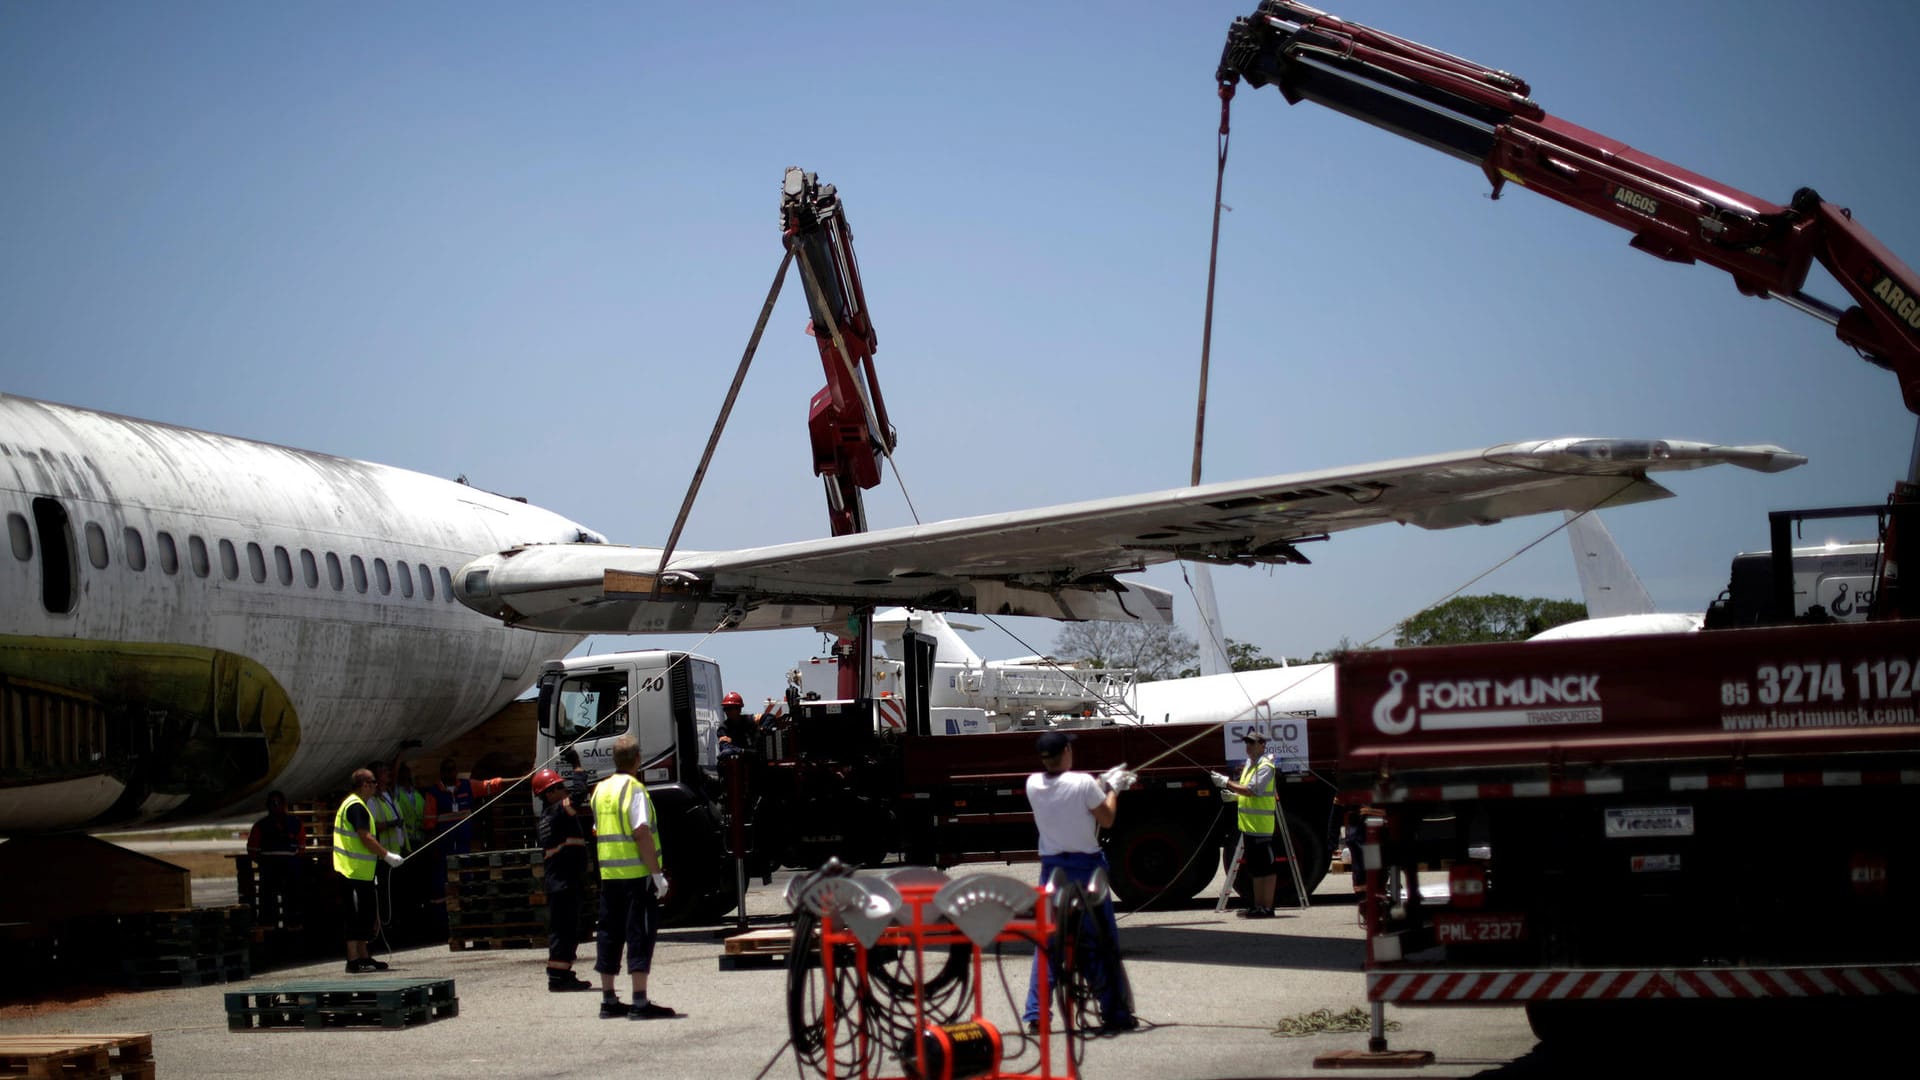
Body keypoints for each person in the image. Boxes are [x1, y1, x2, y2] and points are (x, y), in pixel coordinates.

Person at [1021, 731, 1138, 1035]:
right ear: (1068, 751)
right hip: (1087, 870)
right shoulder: (1084, 782)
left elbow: (1069, 794)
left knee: (1048, 943)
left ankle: (1036, 1013)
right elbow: (1107, 817)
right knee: (1101, 942)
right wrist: (1112, 788)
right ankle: (1114, 1012)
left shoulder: (1033, 784)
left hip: (1052, 870)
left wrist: (1099, 786)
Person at [591, 734, 676, 1020]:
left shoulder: (600, 791)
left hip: (609, 875)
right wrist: (656, 874)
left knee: (608, 933)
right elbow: (641, 831)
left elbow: (598, 830)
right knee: (638, 933)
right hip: (636, 877)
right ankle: (639, 1001)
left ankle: (608, 999)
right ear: (637, 760)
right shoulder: (635, 790)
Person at [332, 767, 405, 973]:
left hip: (359, 871)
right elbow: (365, 837)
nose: (375, 785)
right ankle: (353, 960)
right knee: (354, 915)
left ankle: (363, 956)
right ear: (364, 784)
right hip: (352, 871)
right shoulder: (356, 807)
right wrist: (386, 855)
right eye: (373, 782)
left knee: (365, 914)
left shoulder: (356, 804)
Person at [533, 767, 596, 992]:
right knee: (564, 931)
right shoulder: (557, 811)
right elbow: (579, 795)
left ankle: (562, 973)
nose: (564, 790)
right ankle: (559, 978)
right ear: (548, 794)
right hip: (564, 883)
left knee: (565, 930)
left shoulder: (547, 816)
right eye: (559, 787)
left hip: (562, 882)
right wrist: (579, 770)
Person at [1211, 730, 1279, 918]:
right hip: (1249, 826)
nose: (1248, 746)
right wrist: (1235, 797)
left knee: (1267, 869)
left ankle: (1267, 907)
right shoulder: (1250, 764)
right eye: (1247, 743)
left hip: (1262, 827)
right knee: (1256, 870)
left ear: (1262, 745)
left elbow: (1252, 791)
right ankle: (1258, 906)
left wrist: (1226, 782)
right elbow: (1247, 793)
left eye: (1253, 743)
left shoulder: (1265, 766)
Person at [246, 790, 305, 928]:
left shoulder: (262, 825)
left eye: (277, 803)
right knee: (278, 902)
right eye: (274, 804)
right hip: (277, 868)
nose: (276, 807)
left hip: (276, 869)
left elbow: (252, 850)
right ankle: (281, 927)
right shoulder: (293, 823)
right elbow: (301, 848)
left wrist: (263, 861)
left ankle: (281, 927)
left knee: (280, 902)